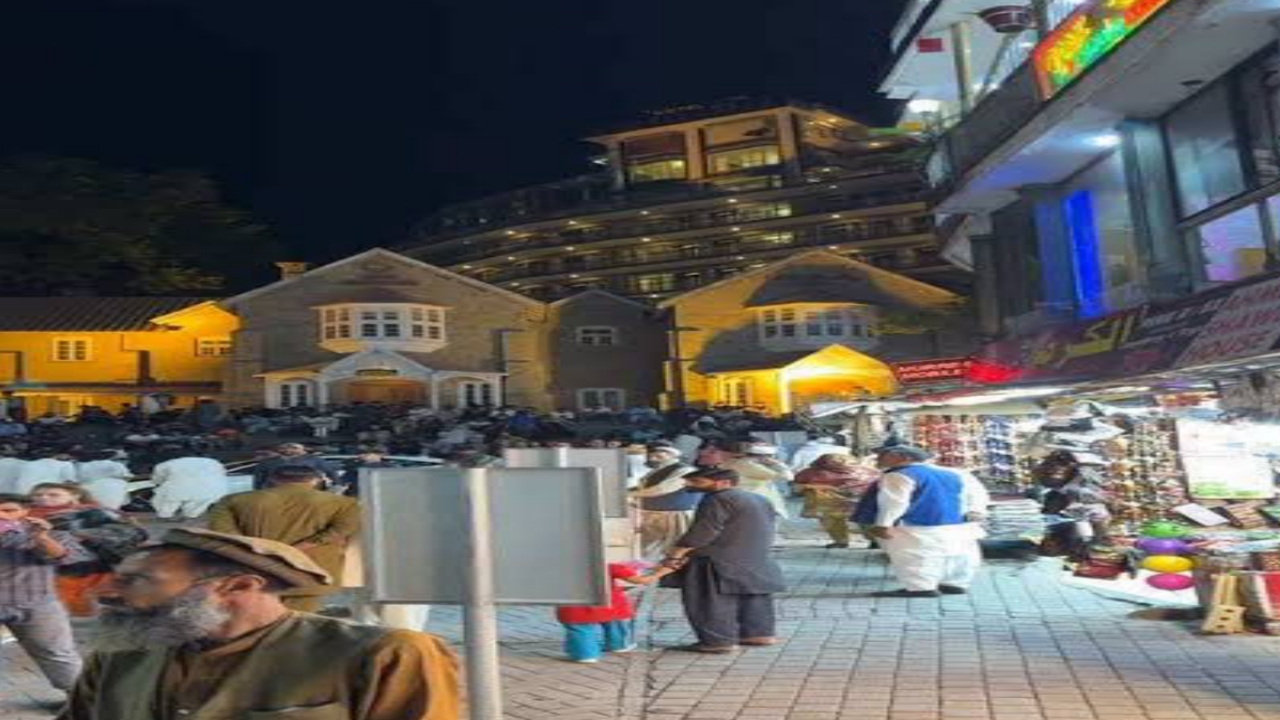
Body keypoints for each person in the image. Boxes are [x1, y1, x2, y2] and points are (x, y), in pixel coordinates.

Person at [56, 527, 459, 720]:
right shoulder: (120, 658)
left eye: (136, 580)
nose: (107, 593)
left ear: (240, 585)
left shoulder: (384, 654)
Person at [633, 468, 785, 654]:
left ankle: (718, 641)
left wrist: (676, 554)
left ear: (724, 483)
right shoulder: (760, 498)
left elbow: (703, 531)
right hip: (756, 556)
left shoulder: (717, 499)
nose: (689, 485)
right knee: (753, 597)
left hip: (716, 558)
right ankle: (758, 634)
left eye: (697, 482)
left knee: (709, 600)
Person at [207, 465, 360, 612]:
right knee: (298, 622)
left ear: (273, 479)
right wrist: (301, 546)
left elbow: (223, 532)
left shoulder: (232, 500)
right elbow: (342, 529)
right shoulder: (343, 503)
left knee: (253, 621)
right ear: (315, 480)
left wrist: (258, 549)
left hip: (254, 570)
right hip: (311, 571)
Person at [0, 493, 92, 702]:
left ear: (25, 512)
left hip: (37, 604)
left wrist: (40, 537)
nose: (1, 516)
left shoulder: (52, 534)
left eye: (8, 510)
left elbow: (65, 557)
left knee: (58, 654)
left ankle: (81, 701)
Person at [867, 446, 991, 598]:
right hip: (958, 524)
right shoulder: (956, 473)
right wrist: (977, 512)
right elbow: (978, 494)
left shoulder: (898, 475)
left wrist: (883, 524)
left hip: (916, 525)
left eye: (882, 455)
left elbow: (895, 502)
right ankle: (955, 583)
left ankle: (921, 588)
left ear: (898, 456)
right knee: (957, 554)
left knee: (916, 556)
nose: (878, 458)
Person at [29, 483, 148, 617]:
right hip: (42, 571)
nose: (44, 498)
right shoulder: (23, 514)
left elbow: (131, 533)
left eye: (53, 495)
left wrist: (81, 536)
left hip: (90, 570)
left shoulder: (90, 513)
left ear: (74, 496)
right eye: (37, 495)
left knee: (87, 609)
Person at [555, 561, 643, 663]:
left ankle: (586, 655)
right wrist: (661, 572)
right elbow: (640, 580)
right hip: (609, 605)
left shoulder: (559, 568)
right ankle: (618, 646)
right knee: (615, 624)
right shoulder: (609, 567)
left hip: (575, 604)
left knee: (581, 628)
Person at [794, 454, 879, 549]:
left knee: (833, 521)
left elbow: (797, 486)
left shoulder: (811, 473)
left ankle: (841, 541)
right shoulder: (866, 471)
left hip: (829, 505)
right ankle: (875, 541)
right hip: (861, 502)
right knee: (866, 521)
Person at [630, 446, 700, 559]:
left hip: (675, 515)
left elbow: (664, 488)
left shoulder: (685, 470)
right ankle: (649, 571)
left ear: (672, 454)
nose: (653, 455)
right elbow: (642, 487)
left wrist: (630, 494)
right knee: (649, 548)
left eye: (661, 452)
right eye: (652, 452)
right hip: (652, 514)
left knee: (672, 548)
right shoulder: (655, 471)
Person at [150, 448, 229, 520]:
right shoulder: (214, 462)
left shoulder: (166, 464)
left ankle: (164, 515)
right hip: (214, 489)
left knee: (165, 497)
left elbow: (158, 479)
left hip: (179, 488)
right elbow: (222, 474)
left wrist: (157, 484)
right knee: (200, 501)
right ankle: (190, 515)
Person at [720, 442, 791, 518]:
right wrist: (778, 464)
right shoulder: (750, 466)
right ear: (765, 457)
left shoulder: (729, 462)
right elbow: (788, 477)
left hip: (736, 499)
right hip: (755, 502)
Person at [252, 442, 340, 489]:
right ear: (279, 450)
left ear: (303, 450)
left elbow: (330, 471)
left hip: (309, 489)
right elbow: (259, 478)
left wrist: (337, 484)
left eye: (294, 448)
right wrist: (257, 490)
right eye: (285, 447)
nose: (289, 449)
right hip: (277, 489)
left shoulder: (314, 460)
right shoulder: (268, 462)